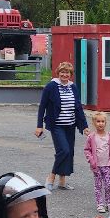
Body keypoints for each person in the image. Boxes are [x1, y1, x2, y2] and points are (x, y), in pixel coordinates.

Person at [35, 62, 85, 191]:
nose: (64, 74)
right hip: (57, 125)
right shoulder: (51, 86)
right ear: (58, 73)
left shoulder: (73, 87)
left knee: (69, 153)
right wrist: (39, 125)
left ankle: (62, 181)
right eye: (62, 72)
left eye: (67, 72)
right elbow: (42, 106)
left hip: (70, 124)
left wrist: (84, 125)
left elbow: (78, 107)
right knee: (64, 150)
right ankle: (51, 177)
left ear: (71, 74)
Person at [83, 111, 110, 215]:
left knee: (108, 186)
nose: (100, 123)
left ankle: (109, 203)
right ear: (94, 123)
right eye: (98, 121)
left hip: (107, 166)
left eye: (102, 121)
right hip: (97, 166)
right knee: (98, 186)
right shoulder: (91, 137)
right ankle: (100, 204)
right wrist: (91, 161)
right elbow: (87, 150)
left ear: (105, 123)